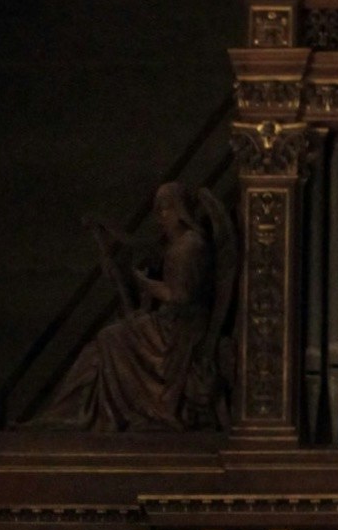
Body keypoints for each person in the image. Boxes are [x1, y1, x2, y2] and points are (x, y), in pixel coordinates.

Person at [39, 182, 235, 431]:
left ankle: (114, 412)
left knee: (111, 337)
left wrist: (141, 281)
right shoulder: (179, 245)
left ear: (181, 210)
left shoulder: (190, 247)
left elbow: (179, 295)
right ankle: (78, 413)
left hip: (182, 330)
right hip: (170, 321)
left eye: (165, 208)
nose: (160, 216)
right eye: (158, 209)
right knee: (105, 342)